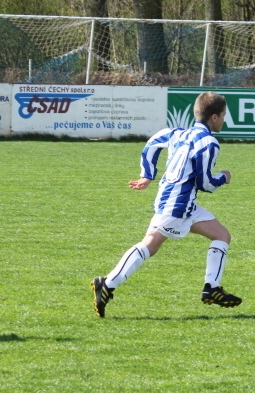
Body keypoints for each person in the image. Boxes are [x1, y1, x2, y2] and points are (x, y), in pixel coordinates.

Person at [91, 91, 241, 317]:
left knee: (222, 235)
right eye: (223, 115)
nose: (224, 120)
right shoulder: (209, 142)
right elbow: (206, 183)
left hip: (176, 200)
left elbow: (153, 142)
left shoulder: (177, 133)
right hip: (177, 206)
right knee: (150, 245)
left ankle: (212, 288)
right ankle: (107, 284)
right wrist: (224, 177)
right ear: (213, 117)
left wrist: (147, 174)